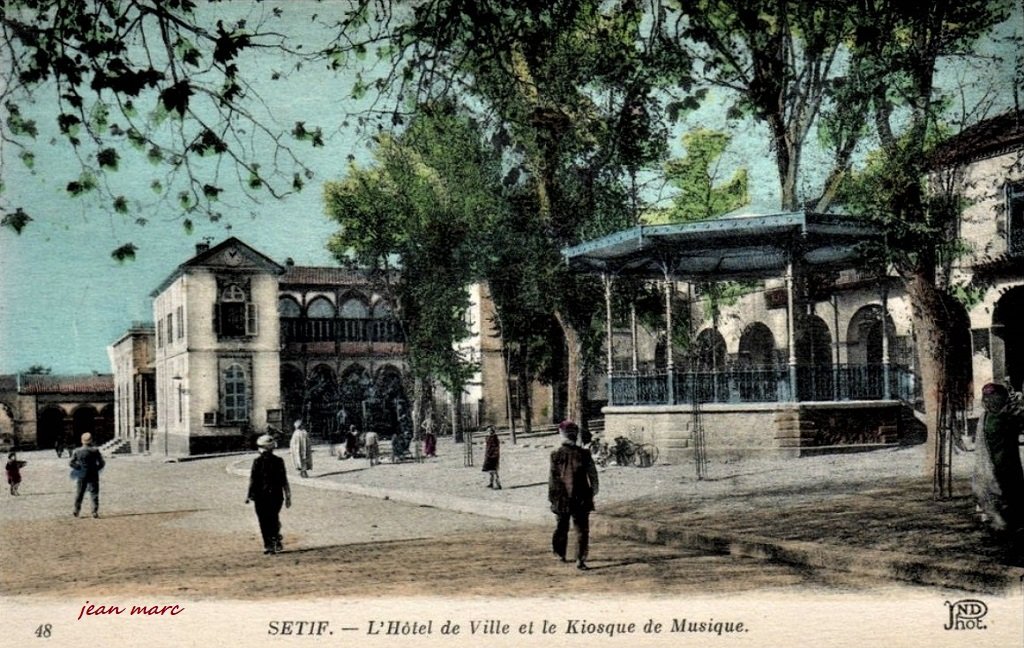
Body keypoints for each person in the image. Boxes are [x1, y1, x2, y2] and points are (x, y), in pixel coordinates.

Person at [972, 383, 1024, 548]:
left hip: (992, 468)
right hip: (1001, 467)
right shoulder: (1001, 420)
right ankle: (1007, 532)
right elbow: (1016, 422)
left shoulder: (986, 417)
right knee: (1009, 498)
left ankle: (1002, 529)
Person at [549, 420, 599, 570]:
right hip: (581, 496)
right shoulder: (584, 453)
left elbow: (552, 478)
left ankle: (560, 553)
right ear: (575, 435)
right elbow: (593, 476)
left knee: (561, 526)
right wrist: (593, 491)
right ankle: (580, 559)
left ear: (562, 435)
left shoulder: (556, 454)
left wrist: (552, 497)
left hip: (562, 496)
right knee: (582, 529)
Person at [245, 434, 292, 554]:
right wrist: (288, 496)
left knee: (264, 520)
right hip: (276, 496)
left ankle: (269, 544)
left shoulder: (257, 462)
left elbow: (253, 479)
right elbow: (284, 480)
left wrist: (248, 495)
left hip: (261, 496)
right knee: (272, 518)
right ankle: (274, 539)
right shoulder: (278, 461)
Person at [69, 432, 105, 518]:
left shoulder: (77, 451)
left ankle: (76, 510)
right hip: (93, 473)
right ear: (91, 440)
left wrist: (78, 468)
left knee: (80, 492)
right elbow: (102, 463)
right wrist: (96, 468)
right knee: (94, 493)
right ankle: (94, 511)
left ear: (82, 441)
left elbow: (71, 462)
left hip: (82, 474)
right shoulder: (95, 450)